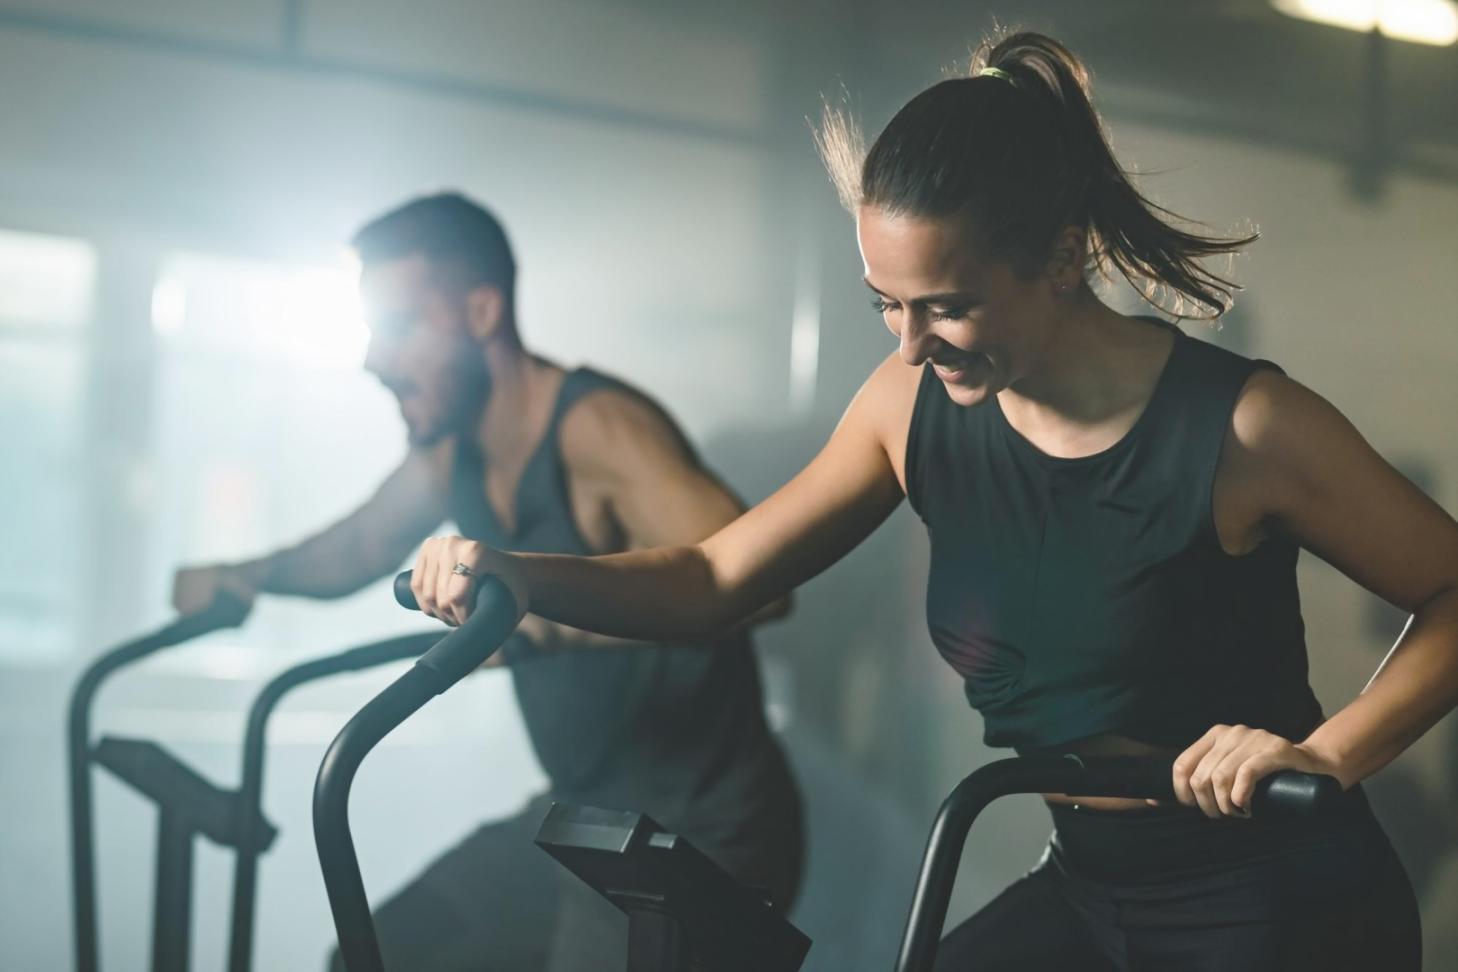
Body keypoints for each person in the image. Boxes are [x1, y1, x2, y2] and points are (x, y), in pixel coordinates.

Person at [408, 31, 1457, 972]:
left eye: (947, 307)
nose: (910, 346)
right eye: (887, 307)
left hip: (1275, 900)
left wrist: (1325, 755)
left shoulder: (1242, 428)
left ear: (1059, 255)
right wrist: (517, 573)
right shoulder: (908, 408)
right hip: (1091, 884)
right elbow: (713, 577)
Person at [171, 193, 803, 972]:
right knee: (380, 957)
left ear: (480, 312)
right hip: (586, 815)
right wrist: (246, 576)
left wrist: (542, 613)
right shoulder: (451, 444)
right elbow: (361, 544)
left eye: (399, 327)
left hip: (701, 834)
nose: (374, 359)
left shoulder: (596, 427)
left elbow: (761, 584)